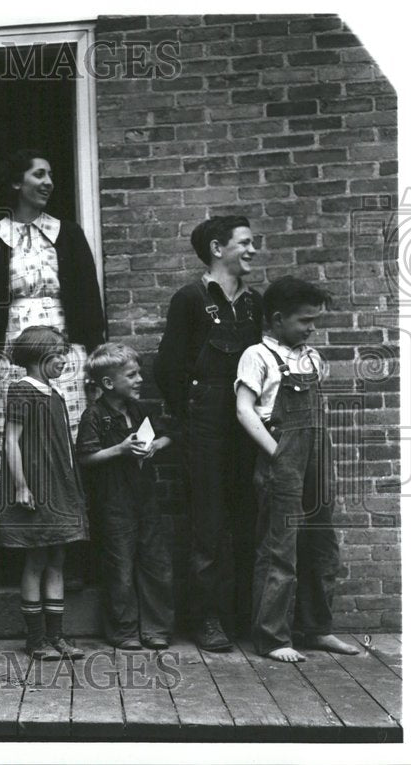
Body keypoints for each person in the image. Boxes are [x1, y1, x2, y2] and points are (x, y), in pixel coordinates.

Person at [0, 150, 105, 586]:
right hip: (11, 353)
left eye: (51, 174)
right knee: (15, 440)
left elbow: (88, 296)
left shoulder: (66, 234)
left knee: (64, 436)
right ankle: (22, 545)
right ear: (17, 184)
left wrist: (89, 351)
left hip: (64, 350)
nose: (48, 181)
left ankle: (71, 543)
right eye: (39, 174)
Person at [235, 277, 359, 662]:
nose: (311, 328)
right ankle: (273, 637)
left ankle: (317, 629)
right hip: (282, 458)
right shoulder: (257, 356)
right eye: (305, 320)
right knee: (279, 549)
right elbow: (244, 410)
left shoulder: (311, 357)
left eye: (315, 320)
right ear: (276, 319)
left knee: (322, 545)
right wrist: (278, 453)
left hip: (318, 458)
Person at [154, 215, 262, 652]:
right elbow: (167, 368)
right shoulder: (191, 299)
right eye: (246, 243)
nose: (253, 251)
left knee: (247, 518)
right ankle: (208, 620)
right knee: (208, 523)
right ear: (218, 249)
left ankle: (243, 617)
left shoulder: (255, 303)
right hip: (205, 427)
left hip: (247, 425)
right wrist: (191, 417)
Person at [0, 325, 89, 660]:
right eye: (58, 355)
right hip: (36, 488)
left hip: (58, 487)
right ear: (38, 355)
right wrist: (21, 485)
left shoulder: (55, 394)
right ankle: (35, 639)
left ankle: (57, 636)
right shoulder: (22, 391)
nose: (64, 361)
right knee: (36, 558)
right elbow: (10, 441)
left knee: (57, 558)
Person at [76, 344, 174, 650]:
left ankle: (156, 629)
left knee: (156, 564)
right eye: (131, 375)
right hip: (113, 502)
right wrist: (120, 449)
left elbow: (167, 435)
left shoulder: (138, 410)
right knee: (120, 567)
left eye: (138, 373)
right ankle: (123, 630)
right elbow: (86, 457)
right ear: (108, 383)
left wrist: (157, 445)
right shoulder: (95, 415)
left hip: (145, 497)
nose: (139, 379)